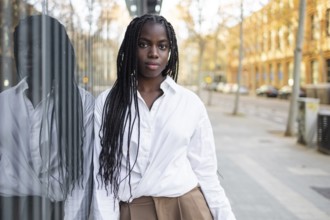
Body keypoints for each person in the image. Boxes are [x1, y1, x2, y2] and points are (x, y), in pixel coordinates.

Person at [93, 14, 236, 220]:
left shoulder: (189, 103)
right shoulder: (108, 103)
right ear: (130, 47)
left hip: (186, 206)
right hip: (133, 210)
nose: (153, 53)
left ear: (170, 51)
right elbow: (103, 178)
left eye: (162, 46)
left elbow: (206, 172)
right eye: (143, 44)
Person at [0, 15, 94, 220]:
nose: (28, 54)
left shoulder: (81, 103)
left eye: (37, 45)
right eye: (23, 46)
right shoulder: (4, 103)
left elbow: (84, 177)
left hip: (59, 211)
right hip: (9, 208)